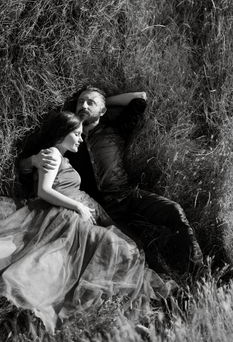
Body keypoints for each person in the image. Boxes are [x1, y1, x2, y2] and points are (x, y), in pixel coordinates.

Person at [0, 111, 172, 334]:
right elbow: (44, 191)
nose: (81, 139)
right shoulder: (53, 153)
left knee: (115, 245)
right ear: (64, 133)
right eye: (77, 134)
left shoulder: (62, 156)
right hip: (59, 215)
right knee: (113, 244)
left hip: (67, 215)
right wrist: (78, 206)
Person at [19, 87, 203, 278]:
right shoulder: (67, 140)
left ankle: (197, 269)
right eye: (80, 101)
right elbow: (27, 165)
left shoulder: (113, 129)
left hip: (127, 195)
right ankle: (167, 282)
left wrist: (105, 101)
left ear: (103, 110)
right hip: (101, 208)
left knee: (174, 210)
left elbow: (140, 99)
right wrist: (32, 161)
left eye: (91, 102)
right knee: (133, 249)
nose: (83, 105)